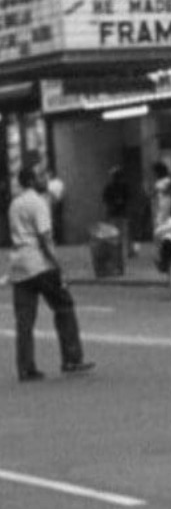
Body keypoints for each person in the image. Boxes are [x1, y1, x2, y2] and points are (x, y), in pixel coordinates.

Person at [7, 160, 94, 382]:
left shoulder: (14, 204)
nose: (44, 179)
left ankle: (25, 368)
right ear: (31, 181)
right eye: (40, 176)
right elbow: (45, 238)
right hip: (41, 264)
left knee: (24, 320)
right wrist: (58, 265)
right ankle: (71, 358)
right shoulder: (38, 203)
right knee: (64, 306)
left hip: (19, 266)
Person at [102, 166, 134, 259]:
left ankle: (116, 252)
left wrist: (106, 211)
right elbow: (129, 198)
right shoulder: (124, 186)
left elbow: (105, 200)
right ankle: (128, 251)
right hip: (122, 212)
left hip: (114, 213)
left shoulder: (109, 186)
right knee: (125, 233)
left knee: (114, 233)